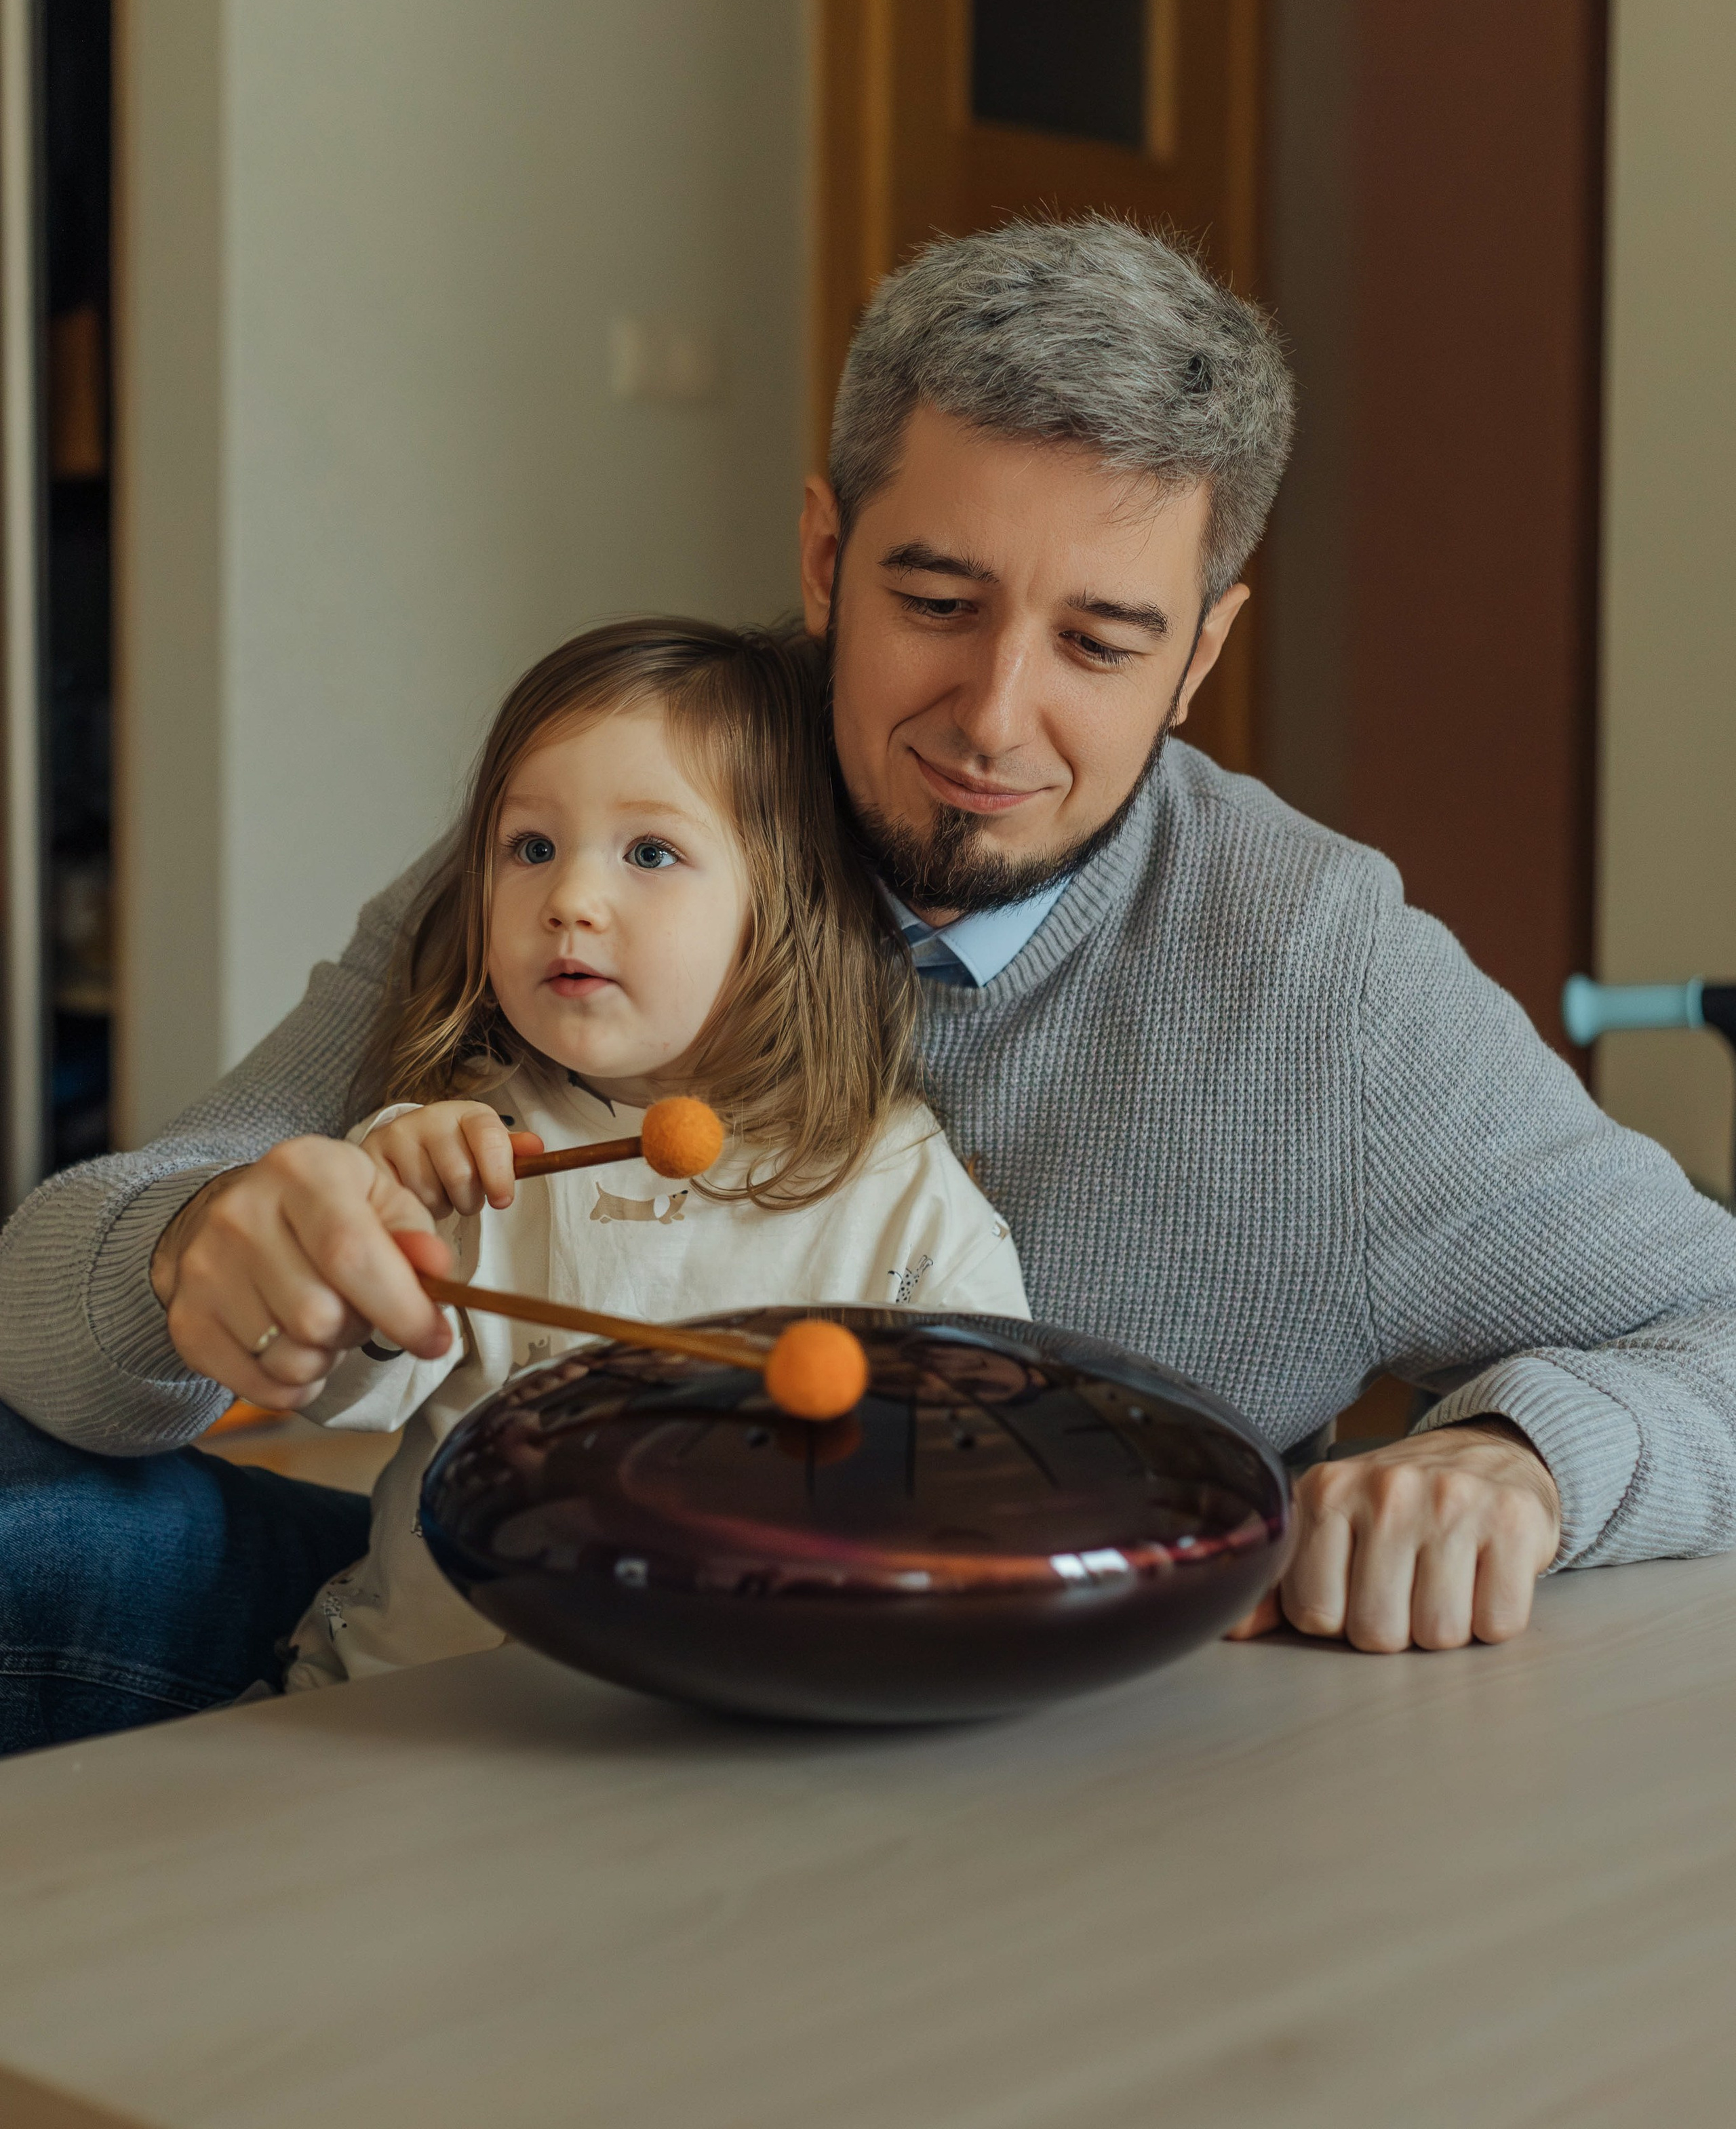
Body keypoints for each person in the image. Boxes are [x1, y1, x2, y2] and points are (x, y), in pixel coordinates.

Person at [3, 217, 1733, 1752]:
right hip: (506, 1639)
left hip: (1024, 1747)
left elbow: (1709, 1319)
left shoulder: (1315, 974)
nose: (993, 716)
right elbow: (52, 1297)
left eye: (1099, 642)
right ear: (826, 558)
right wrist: (189, 1253)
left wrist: (1525, 1455)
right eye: (936, 599)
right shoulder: (630, 816)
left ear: (1201, 651)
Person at [281, 616, 1025, 1688]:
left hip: (741, 1721)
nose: (569, 901)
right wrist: (379, 1234)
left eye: (650, 853)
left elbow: (994, 1464)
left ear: (785, 902)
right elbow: (337, 1392)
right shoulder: (457, 1146)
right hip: (413, 1712)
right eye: (531, 847)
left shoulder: (896, 1187)